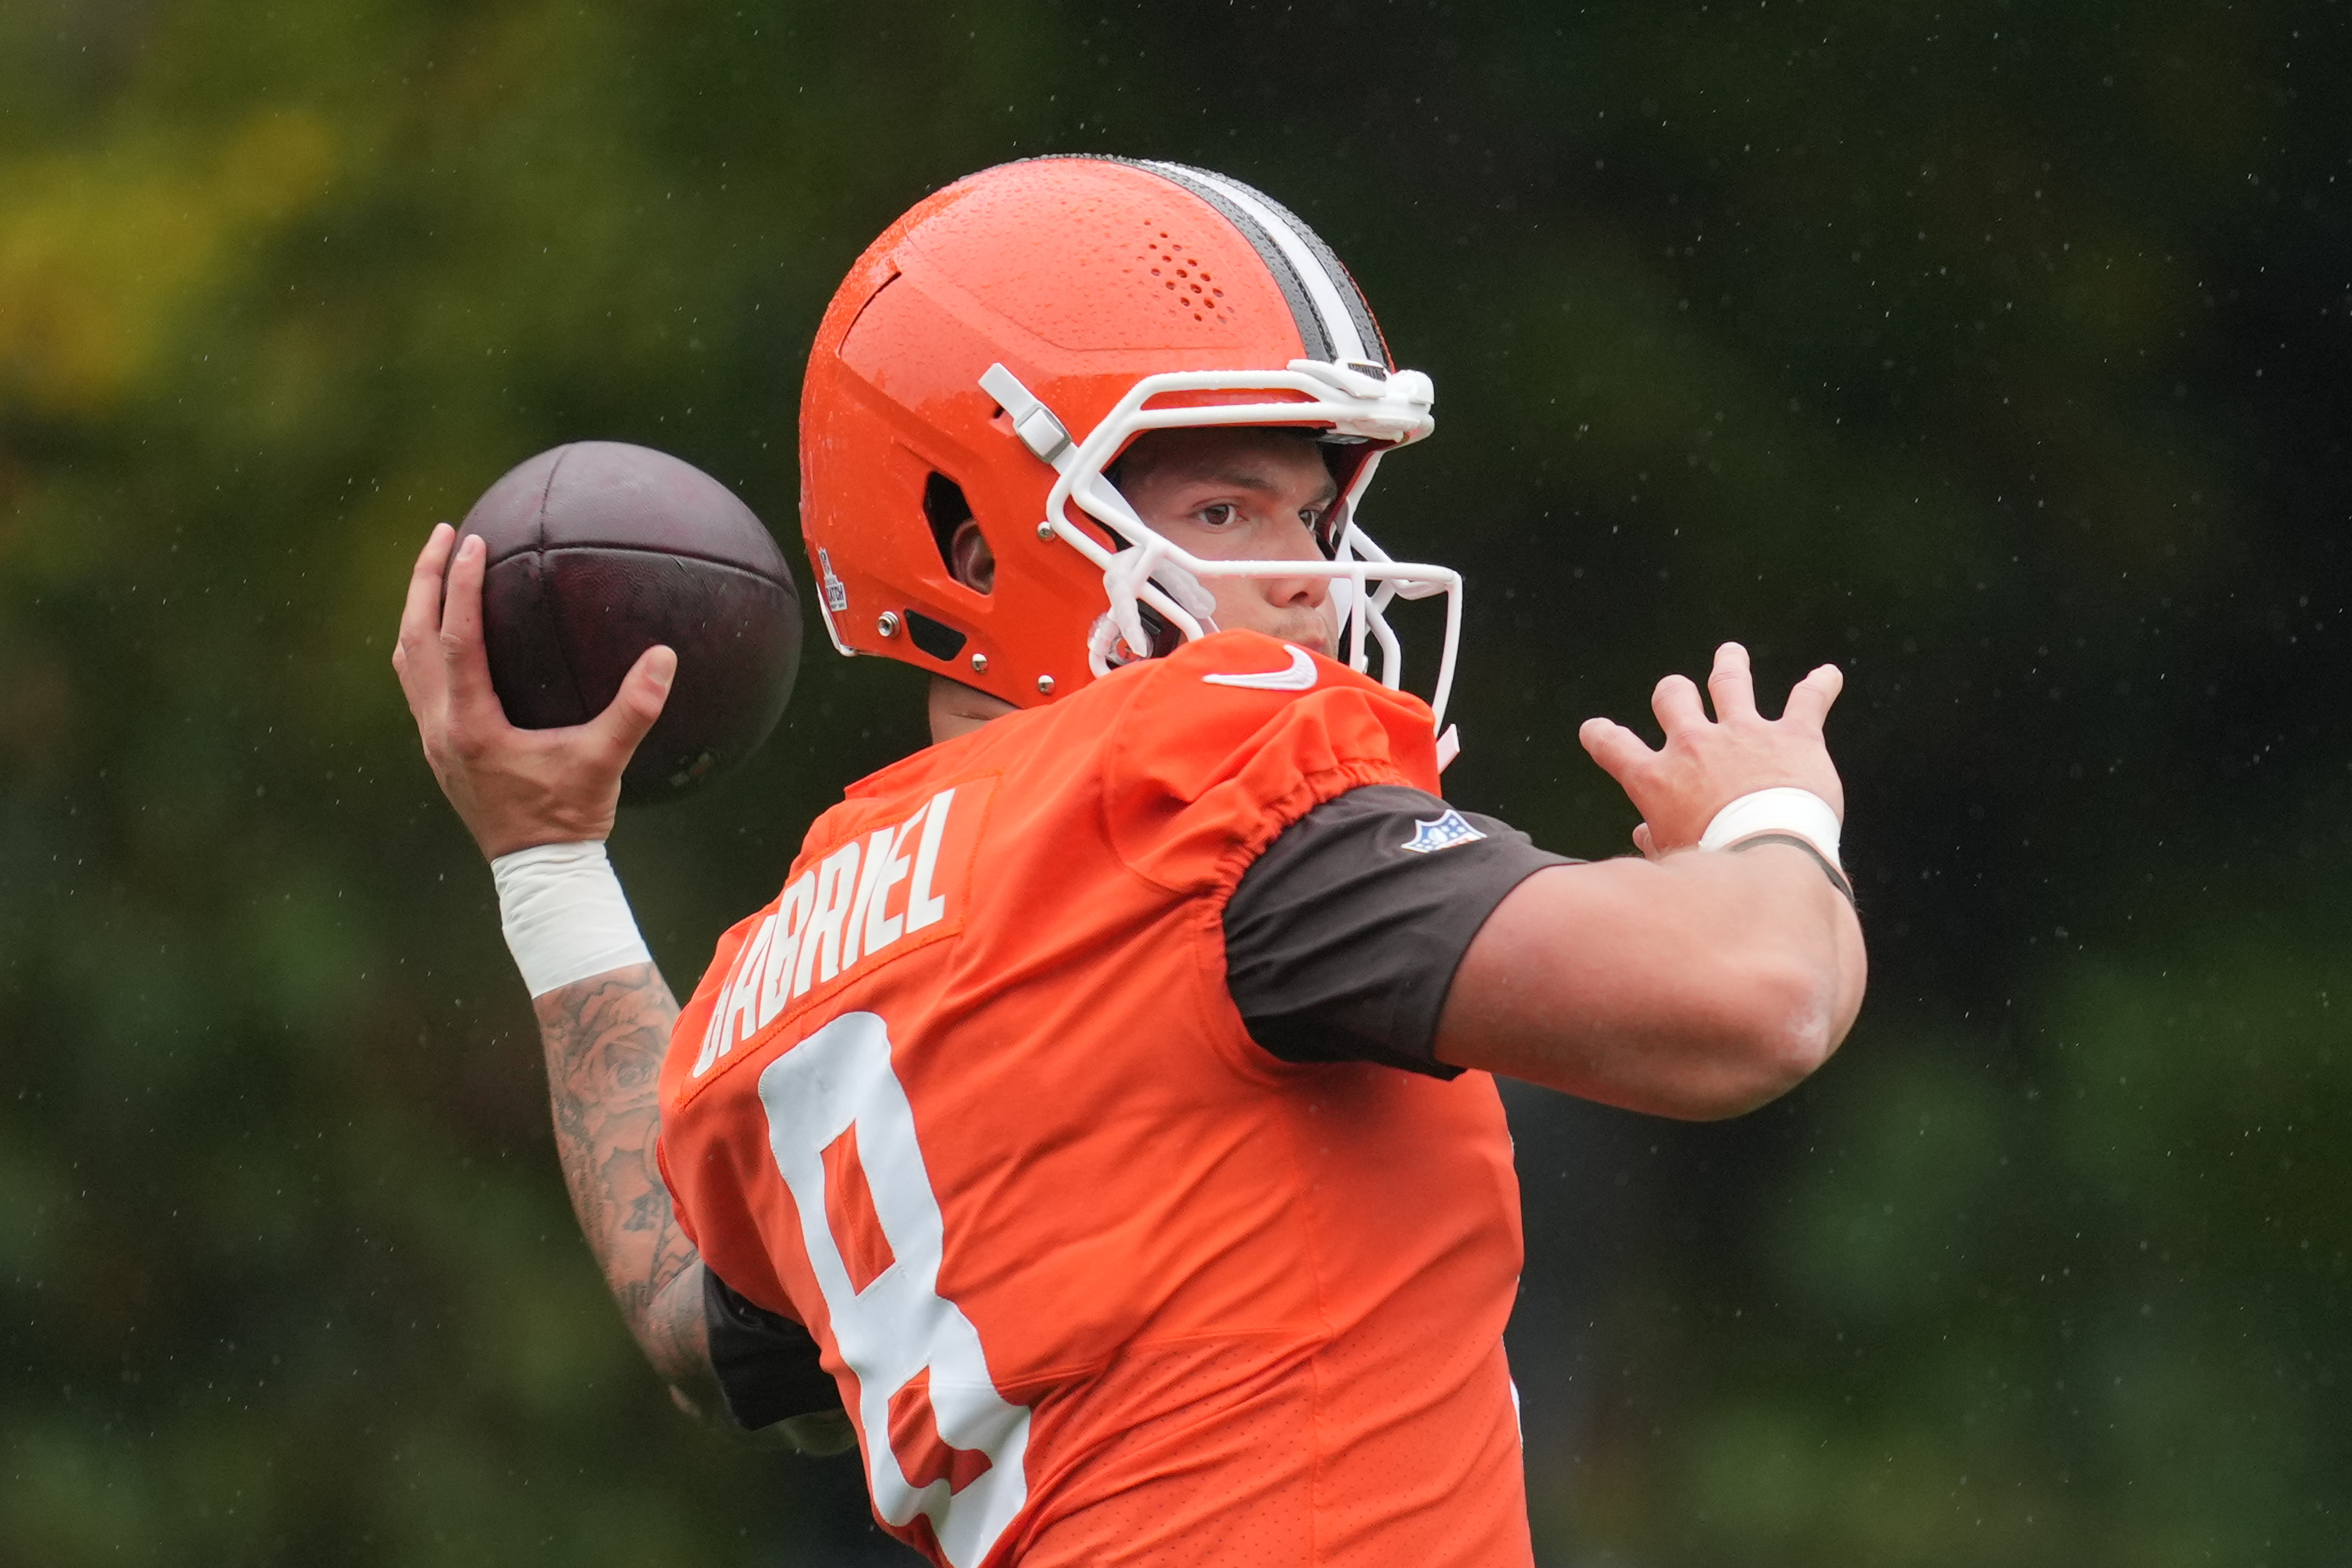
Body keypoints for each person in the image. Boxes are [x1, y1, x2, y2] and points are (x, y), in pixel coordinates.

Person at [394, 157, 1865, 1566]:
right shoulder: (1190, 775)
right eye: (1222, 510)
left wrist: (548, 863)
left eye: (1314, 513)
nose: (1307, 575)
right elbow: (1758, 999)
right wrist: (1772, 816)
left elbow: (691, 1321)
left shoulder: (788, 966)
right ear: (971, 542)